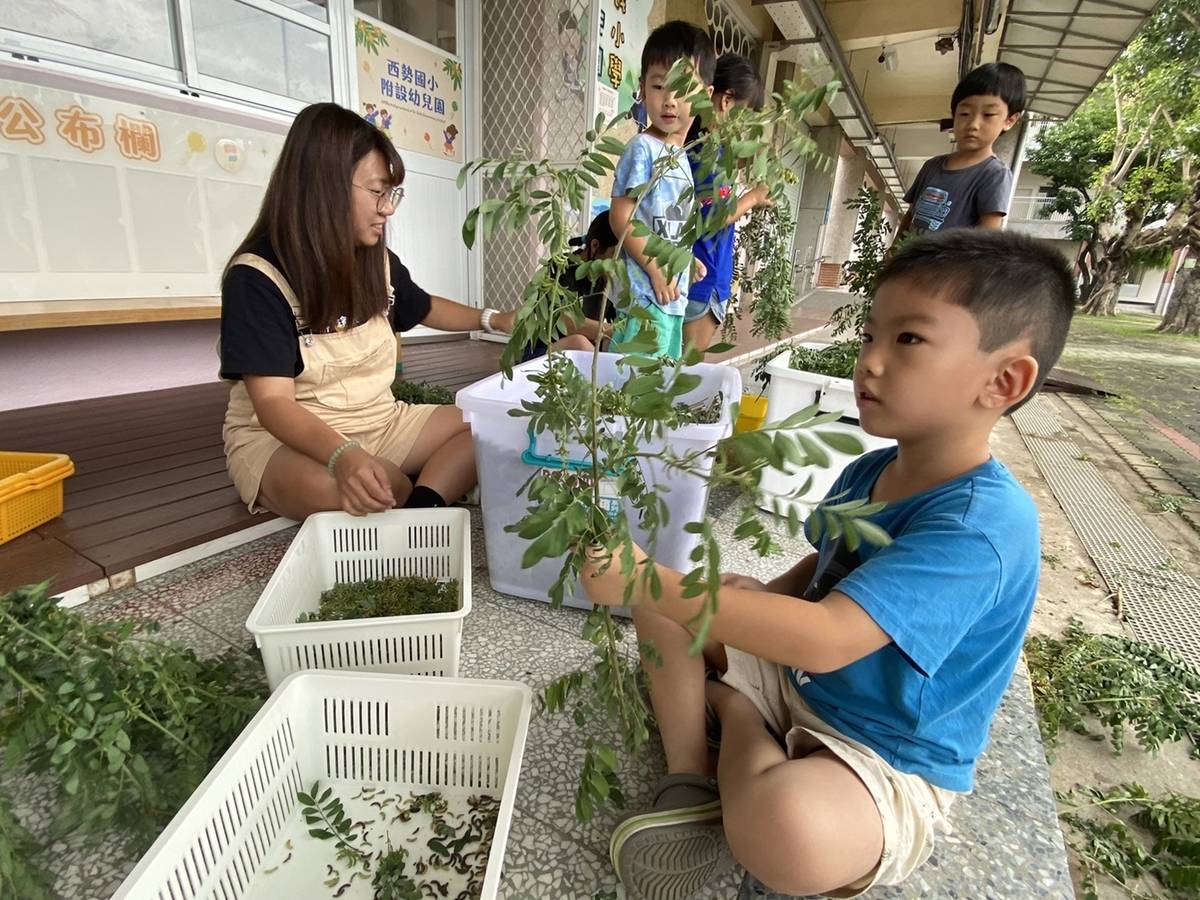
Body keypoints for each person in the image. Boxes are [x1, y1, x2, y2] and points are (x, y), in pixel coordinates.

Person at [581, 229, 1076, 900]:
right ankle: (690, 775)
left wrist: (651, 580)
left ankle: (729, 712)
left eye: (908, 340)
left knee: (792, 836)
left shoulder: (982, 526)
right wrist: (768, 591)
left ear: (1004, 380)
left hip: (883, 750)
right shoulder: (872, 468)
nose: (868, 361)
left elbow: (830, 636)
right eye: (870, 335)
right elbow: (827, 563)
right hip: (801, 680)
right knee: (665, 607)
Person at [219, 103, 513, 520]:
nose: (388, 209)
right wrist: (344, 456)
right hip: (284, 442)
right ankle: (413, 493)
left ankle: (420, 508)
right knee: (371, 487)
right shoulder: (258, 277)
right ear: (326, 186)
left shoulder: (377, 259)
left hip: (381, 422)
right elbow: (273, 405)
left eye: (391, 194)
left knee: (490, 425)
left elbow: (425, 307)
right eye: (378, 192)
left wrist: (495, 320)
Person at [608, 21, 716, 359]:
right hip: (643, 301)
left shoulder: (679, 156)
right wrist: (656, 266)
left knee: (657, 393)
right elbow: (621, 215)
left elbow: (662, 224)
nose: (669, 100)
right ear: (642, 88)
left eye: (682, 89)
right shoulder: (644, 149)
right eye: (658, 86)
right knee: (632, 394)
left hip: (671, 301)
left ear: (705, 96)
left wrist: (684, 261)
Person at [683, 53, 772, 353]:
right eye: (745, 114)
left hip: (696, 276)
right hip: (702, 279)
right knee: (680, 379)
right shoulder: (707, 154)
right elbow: (715, 217)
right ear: (725, 101)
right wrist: (754, 197)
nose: (745, 126)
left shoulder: (701, 146)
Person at [893, 62, 1026, 243]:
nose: (973, 124)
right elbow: (911, 215)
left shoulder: (994, 174)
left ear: (1009, 120)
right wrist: (893, 255)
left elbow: (986, 240)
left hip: (949, 270)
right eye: (964, 113)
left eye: (988, 115)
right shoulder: (931, 166)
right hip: (909, 264)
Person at [521, 211, 620, 361]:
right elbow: (564, 321)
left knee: (609, 343)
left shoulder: (608, 279)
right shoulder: (561, 268)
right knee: (579, 341)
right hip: (541, 352)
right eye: (617, 254)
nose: (621, 263)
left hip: (580, 354)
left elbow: (617, 322)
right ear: (594, 245)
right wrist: (611, 330)